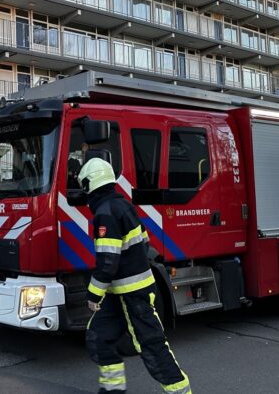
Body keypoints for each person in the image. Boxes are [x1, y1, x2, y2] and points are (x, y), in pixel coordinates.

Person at [78, 158, 191, 394]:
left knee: (151, 346)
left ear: (90, 184)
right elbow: (144, 242)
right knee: (99, 337)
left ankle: (181, 391)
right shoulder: (122, 205)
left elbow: (108, 261)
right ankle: (113, 390)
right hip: (119, 292)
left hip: (133, 294)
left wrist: (93, 295)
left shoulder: (106, 212)